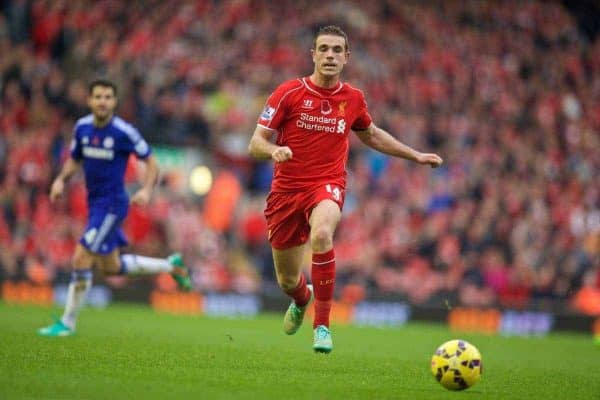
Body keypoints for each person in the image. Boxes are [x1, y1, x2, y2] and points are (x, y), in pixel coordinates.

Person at [248, 26, 443, 353]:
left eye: (337, 50)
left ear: (346, 57)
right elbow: (255, 143)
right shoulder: (288, 93)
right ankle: (301, 297)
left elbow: (372, 134)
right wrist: (273, 152)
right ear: (313, 54)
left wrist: (415, 155)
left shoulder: (352, 98)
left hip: (327, 184)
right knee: (286, 280)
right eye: (323, 49)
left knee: (322, 234)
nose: (330, 55)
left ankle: (322, 326)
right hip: (286, 191)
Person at [38, 79, 192, 337]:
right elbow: (75, 160)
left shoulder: (123, 132)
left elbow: (152, 163)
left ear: (114, 101)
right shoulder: (82, 128)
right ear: (90, 100)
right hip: (94, 203)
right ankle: (171, 265)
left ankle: (67, 323)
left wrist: (145, 190)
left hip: (112, 204)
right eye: (98, 96)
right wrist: (59, 180)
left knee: (81, 257)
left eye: (108, 97)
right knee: (111, 267)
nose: (102, 101)